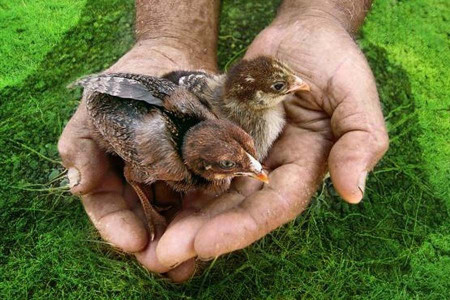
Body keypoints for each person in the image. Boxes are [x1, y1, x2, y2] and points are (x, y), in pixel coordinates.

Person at [58, 0, 388, 282]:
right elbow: (136, 160)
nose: (255, 165)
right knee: (148, 162)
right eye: (232, 163)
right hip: (127, 114)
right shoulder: (171, 162)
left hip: (167, 105)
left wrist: (319, 15)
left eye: (244, 149)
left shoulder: (206, 114)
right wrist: (169, 38)